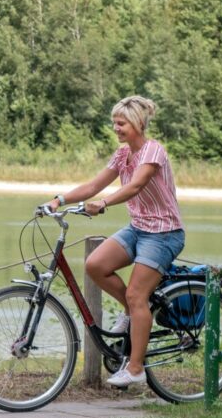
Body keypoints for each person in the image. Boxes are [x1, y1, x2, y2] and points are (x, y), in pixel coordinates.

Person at [41, 95, 184, 388]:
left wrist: (103, 204)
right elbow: (93, 185)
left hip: (164, 233)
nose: (116, 128)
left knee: (136, 294)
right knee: (96, 265)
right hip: (138, 227)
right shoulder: (122, 155)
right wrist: (59, 200)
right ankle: (134, 312)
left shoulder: (153, 151)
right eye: (114, 123)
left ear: (138, 124)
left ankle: (135, 368)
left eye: (122, 123)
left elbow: (136, 185)